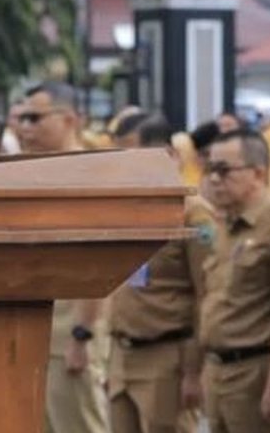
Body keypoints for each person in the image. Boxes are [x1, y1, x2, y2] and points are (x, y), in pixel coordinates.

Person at [105, 113, 212, 433]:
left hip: (168, 357)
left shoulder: (195, 216)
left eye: (131, 156)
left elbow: (207, 297)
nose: (123, 167)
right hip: (123, 355)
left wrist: (194, 372)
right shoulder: (125, 210)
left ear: (169, 155)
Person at [17, 81, 109, 433]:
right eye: (22, 118)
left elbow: (99, 262)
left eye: (35, 118)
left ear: (69, 119)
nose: (25, 128)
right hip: (33, 330)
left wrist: (83, 336)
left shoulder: (92, 176)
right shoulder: (31, 173)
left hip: (70, 335)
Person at [199, 129, 270, 433]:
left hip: (255, 371)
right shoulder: (224, 225)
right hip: (218, 369)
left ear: (258, 173)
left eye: (224, 170)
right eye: (210, 169)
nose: (214, 179)